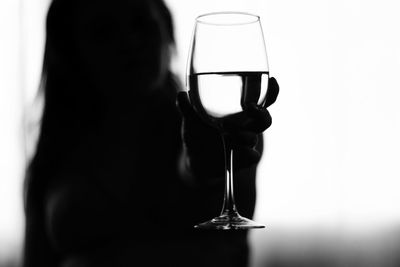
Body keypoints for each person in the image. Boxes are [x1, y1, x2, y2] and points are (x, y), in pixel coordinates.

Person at [22, 0, 279, 266]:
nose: (130, 42)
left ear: (166, 30)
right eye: (104, 32)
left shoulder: (224, 131)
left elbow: (195, 174)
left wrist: (204, 168)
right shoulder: (58, 149)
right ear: (71, 51)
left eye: (141, 24)